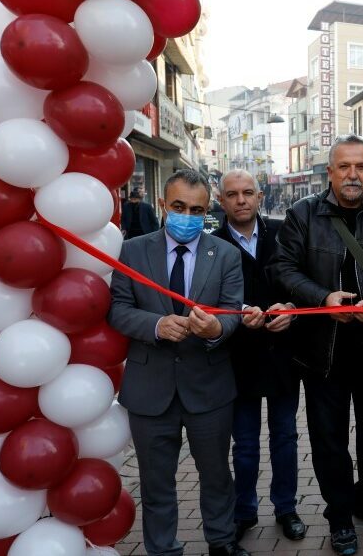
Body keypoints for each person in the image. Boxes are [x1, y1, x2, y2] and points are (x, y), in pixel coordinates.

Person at [270, 134, 363, 556]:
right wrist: (321, 298)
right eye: (344, 167)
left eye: (361, 167)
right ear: (329, 171)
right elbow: (284, 268)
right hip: (320, 349)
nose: (353, 175)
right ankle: (339, 514)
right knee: (328, 438)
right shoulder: (301, 214)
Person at [108, 169, 248, 556]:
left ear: (208, 212)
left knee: (217, 474)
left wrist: (215, 328)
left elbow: (234, 312)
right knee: (156, 481)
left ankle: (221, 541)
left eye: (197, 209)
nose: (187, 215)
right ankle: (162, 549)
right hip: (150, 389)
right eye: (179, 207)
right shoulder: (132, 251)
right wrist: (155, 325)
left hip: (208, 387)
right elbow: (117, 309)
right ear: (163, 206)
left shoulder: (225, 255)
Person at [211, 170, 305, 543]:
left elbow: (303, 280)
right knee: (245, 443)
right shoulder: (212, 244)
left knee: (285, 437)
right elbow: (206, 298)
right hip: (238, 358)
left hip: (283, 354)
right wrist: (234, 313)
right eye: (232, 194)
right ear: (222, 201)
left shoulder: (284, 234)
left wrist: (292, 308)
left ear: (261, 196)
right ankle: (244, 511)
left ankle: (287, 508)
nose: (241, 200)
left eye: (248, 192)